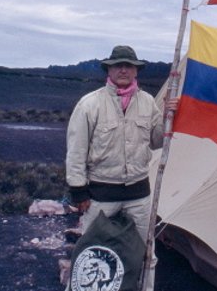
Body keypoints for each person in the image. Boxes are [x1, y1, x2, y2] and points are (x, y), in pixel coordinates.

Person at [65, 45, 178, 291]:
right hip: (100, 196)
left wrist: (170, 117)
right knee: (90, 251)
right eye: (119, 65)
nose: (124, 70)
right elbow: (75, 151)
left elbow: (156, 140)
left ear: (136, 71)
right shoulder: (89, 104)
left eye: (129, 66)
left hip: (139, 195)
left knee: (147, 253)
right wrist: (79, 191)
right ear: (109, 69)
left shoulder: (148, 102)